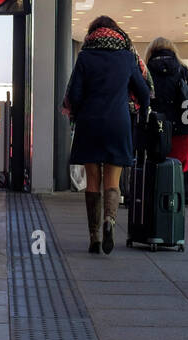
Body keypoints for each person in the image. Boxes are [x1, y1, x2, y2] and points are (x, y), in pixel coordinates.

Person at [64, 16, 151, 254]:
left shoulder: (85, 56)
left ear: (93, 35)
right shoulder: (126, 56)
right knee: (112, 180)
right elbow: (144, 92)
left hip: (90, 123)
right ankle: (110, 221)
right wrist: (136, 109)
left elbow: (76, 95)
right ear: (115, 32)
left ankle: (94, 237)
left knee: (93, 180)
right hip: (118, 122)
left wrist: (80, 112)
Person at [146, 37, 188, 174]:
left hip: (156, 128)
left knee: (157, 170)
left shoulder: (146, 71)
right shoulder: (182, 70)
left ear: (151, 51)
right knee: (178, 170)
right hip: (182, 128)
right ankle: (176, 195)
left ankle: (158, 195)